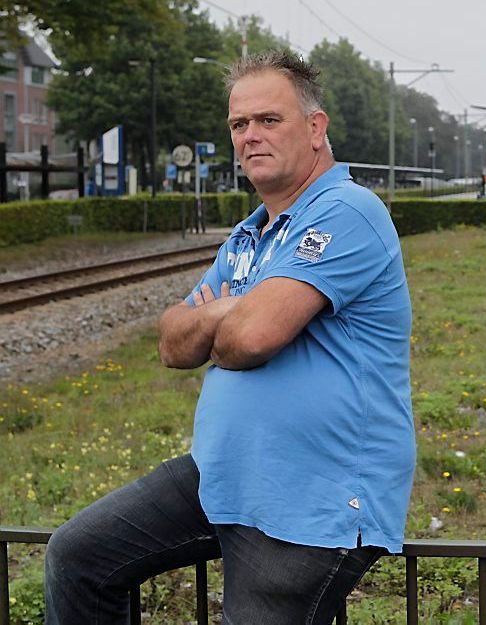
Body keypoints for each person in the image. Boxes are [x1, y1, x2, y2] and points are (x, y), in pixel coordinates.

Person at [44, 50, 416, 624]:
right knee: (78, 557)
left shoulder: (348, 212)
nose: (250, 137)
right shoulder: (250, 235)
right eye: (239, 125)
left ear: (316, 128)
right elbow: (172, 344)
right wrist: (241, 309)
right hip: (221, 475)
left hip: (310, 498)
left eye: (269, 120)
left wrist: (227, 312)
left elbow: (252, 338)